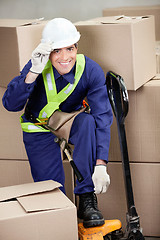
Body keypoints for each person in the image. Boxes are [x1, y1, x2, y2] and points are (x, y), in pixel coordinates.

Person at [2, 18, 113, 228]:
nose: (64, 57)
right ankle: (61, 218)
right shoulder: (36, 64)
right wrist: (32, 73)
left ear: (77, 48)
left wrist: (101, 164)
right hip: (38, 128)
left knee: (88, 123)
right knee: (53, 197)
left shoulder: (90, 70)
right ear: (48, 51)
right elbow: (10, 104)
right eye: (57, 51)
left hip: (69, 122)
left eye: (70, 49)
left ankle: (87, 199)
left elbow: (103, 118)